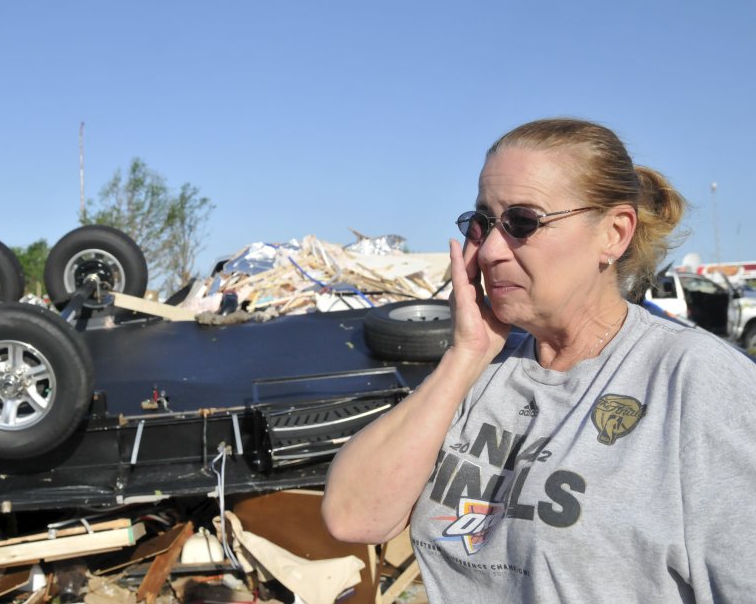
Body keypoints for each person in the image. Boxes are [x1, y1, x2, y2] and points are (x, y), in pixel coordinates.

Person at [322, 118, 756, 603]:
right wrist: (466, 355)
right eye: (482, 223)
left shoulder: (693, 380)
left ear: (613, 234)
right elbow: (354, 517)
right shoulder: (483, 370)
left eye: (523, 223)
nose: (488, 250)